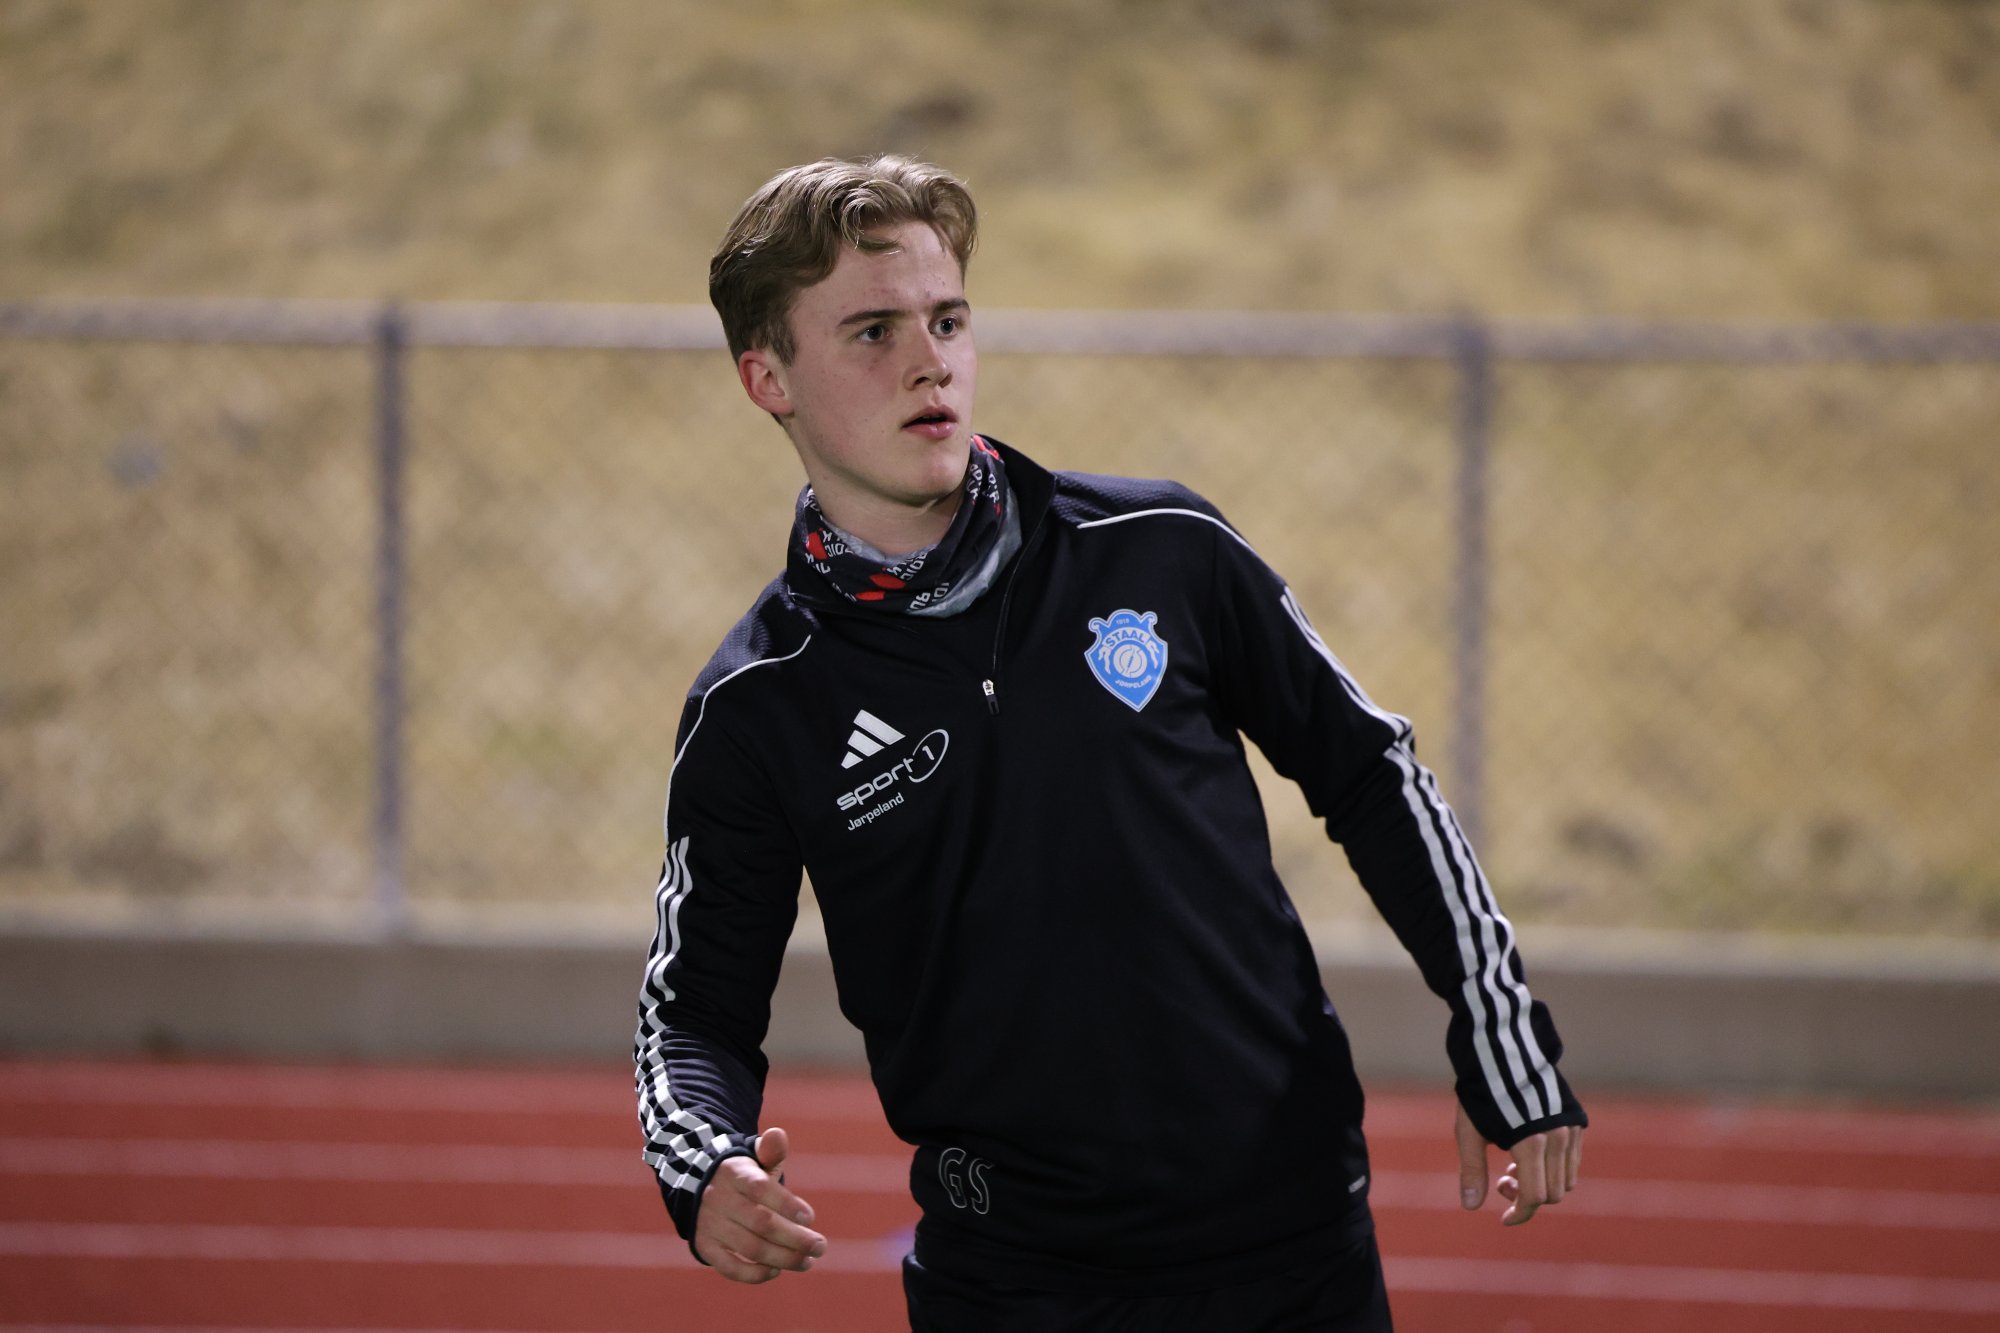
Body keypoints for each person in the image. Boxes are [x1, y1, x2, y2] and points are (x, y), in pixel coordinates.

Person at [634, 154, 1587, 1332]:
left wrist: (1496, 1024)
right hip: (1012, 1286)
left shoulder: (1159, 547)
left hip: (1293, 1246)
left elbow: (1368, 770)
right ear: (766, 377)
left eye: (947, 320)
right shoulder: (756, 704)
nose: (930, 361)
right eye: (873, 332)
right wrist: (703, 1164)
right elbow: (694, 1011)